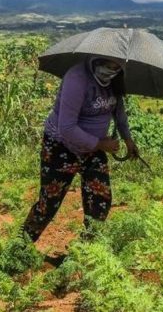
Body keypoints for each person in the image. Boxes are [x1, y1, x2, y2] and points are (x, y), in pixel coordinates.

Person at [20, 56, 139, 242]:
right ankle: (21, 247)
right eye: (108, 65)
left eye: (116, 67)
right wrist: (101, 145)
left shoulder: (116, 78)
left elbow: (119, 111)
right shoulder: (77, 78)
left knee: (100, 200)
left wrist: (128, 139)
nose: (111, 70)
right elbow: (66, 128)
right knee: (49, 202)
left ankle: (86, 251)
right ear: (98, 58)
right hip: (61, 147)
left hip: (94, 148)